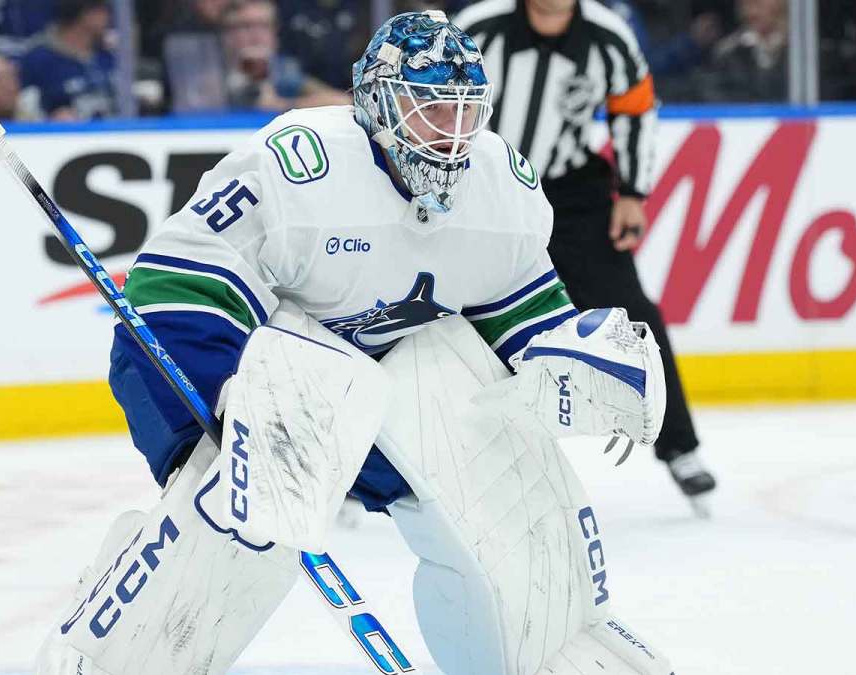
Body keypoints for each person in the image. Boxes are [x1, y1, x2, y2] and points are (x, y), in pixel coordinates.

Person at [34, 11, 674, 675]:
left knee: (503, 489)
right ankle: (113, 655)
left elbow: (517, 313)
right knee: (250, 508)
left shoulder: (501, 188)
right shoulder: (301, 165)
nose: (452, 135)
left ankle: (545, 647)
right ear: (378, 102)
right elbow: (177, 288)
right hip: (218, 358)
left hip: (378, 391)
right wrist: (231, 401)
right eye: (430, 109)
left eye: (464, 112)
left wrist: (577, 356)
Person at [455, 0, 717, 507]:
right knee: (445, 319)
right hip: (484, 190)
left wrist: (634, 194)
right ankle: (395, 465)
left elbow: (635, 111)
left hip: (572, 196)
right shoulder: (479, 29)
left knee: (631, 313)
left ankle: (680, 448)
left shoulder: (608, 36)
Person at [219, 0, 350, 111]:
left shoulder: (284, 70)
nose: (256, 35)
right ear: (226, 34)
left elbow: (343, 101)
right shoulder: (210, 69)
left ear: (275, 33)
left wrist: (281, 105)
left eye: (264, 26)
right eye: (245, 26)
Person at [18, 0, 117, 120]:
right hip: (61, 135)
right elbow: (22, 107)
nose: (109, 17)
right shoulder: (39, 60)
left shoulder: (107, 55)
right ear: (85, 14)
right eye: (103, 10)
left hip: (115, 132)